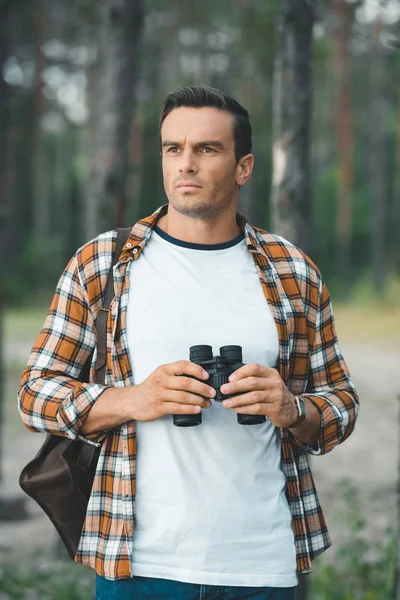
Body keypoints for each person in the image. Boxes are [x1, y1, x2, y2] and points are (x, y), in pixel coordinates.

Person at [18, 84, 359, 600]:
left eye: (207, 149)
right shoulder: (101, 266)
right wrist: (137, 399)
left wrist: (291, 409)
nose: (186, 165)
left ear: (244, 167)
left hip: (261, 565)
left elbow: (342, 403)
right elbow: (33, 394)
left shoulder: (292, 271)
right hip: (141, 563)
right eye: (173, 148)